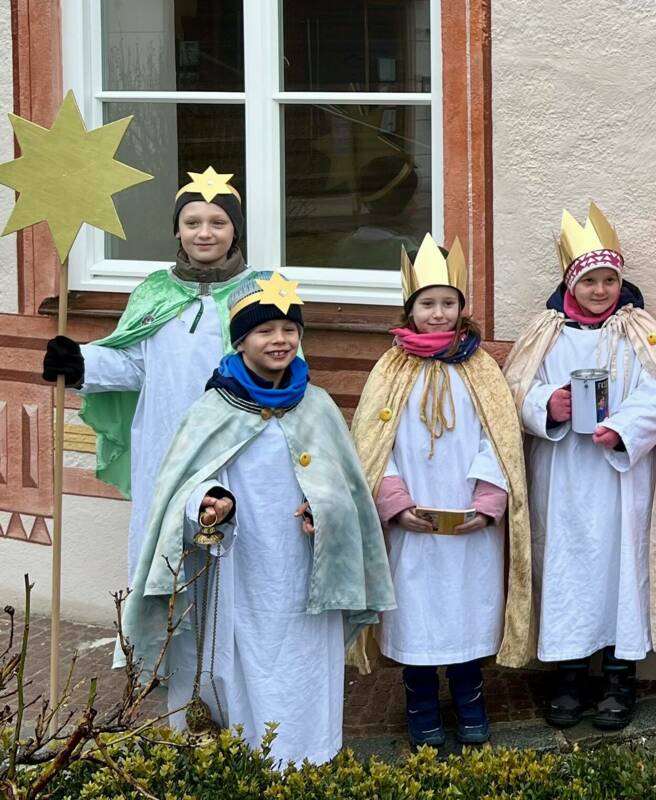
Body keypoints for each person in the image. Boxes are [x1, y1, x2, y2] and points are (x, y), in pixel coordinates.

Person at [120, 272, 395, 766]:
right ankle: (243, 758)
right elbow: (184, 488)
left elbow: (346, 491)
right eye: (265, 330)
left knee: (304, 659)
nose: (280, 340)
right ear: (242, 339)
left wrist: (325, 510)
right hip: (237, 568)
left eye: (290, 330)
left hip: (303, 569)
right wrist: (211, 501)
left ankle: (306, 756)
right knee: (235, 660)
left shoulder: (318, 406)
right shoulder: (212, 409)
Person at [349, 235, 535, 747]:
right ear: (410, 310)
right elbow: (373, 443)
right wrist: (395, 501)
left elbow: (496, 438)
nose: (438, 313)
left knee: (468, 609)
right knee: (415, 612)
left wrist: (488, 500)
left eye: (447, 303)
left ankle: (471, 697)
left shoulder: (479, 368)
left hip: (470, 517)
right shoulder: (390, 370)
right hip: (412, 520)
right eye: (427, 304)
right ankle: (421, 701)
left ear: (462, 308)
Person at [504, 203, 656, 731]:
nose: (601, 290)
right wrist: (545, 408)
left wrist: (624, 428)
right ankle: (567, 675)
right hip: (561, 477)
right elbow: (513, 390)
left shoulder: (639, 331)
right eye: (590, 281)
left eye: (609, 279)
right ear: (570, 283)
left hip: (619, 479)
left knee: (621, 573)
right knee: (565, 572)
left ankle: (619, 677)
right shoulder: (546, 331)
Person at [40, 167, 251, 582]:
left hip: (234, 445)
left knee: (231, 555)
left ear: (235, 230)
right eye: (192, 223)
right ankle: (157, 645)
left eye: (218, 222)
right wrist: (81, 363)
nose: (204, 233)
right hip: (164, 440)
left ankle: (226, 648)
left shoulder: (259, 291)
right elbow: (136, 365)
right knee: (165, 555)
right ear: (177, 231)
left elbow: (282, 362)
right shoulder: (154, 291)